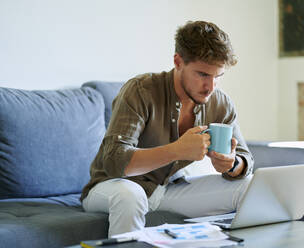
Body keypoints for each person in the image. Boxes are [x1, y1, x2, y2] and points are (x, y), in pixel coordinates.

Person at [80, 20, 254, 237]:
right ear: (178, 61)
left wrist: (232, 164)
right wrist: (177, 150)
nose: (210, 87)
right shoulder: (141, 91)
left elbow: (245, 159)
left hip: (169, 190)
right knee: (130, 196)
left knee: (250, 188)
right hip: (114, 186)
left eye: (217, 76)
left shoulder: (221, 103)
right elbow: (115, 162)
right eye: (202, 74)